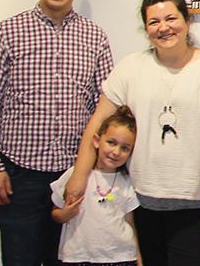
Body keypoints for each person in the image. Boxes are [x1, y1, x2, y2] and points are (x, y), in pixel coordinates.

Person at [65, 0, 200, 266]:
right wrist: (79, 176)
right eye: (154, 22)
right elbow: (97, 122)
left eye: (171, 18)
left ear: (187, 20)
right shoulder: (130, 67)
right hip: (141, 200)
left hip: (196, 204)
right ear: (146, 29)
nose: (164, 27)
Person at [0, 0, 114, 265]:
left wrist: (93, 170)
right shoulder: (7, 32)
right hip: (17, 177)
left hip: (72, 176)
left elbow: (104, 106)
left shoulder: (95, 37)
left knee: (67, 260)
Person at [50, 106, 140, 266]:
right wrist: (65, 214)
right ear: (97, 141)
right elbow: (55, 214)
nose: (116, 152)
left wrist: (139, 260)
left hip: (121, 257)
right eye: (111, 143)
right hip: (78, 257)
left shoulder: (127, 181)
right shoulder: (75, 175)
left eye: (125, 148)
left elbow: (130, 222)